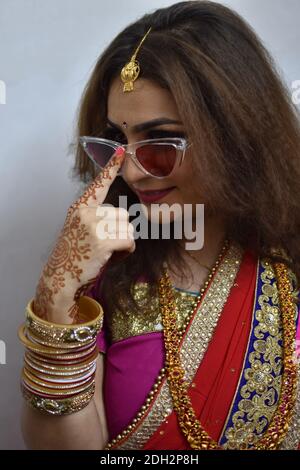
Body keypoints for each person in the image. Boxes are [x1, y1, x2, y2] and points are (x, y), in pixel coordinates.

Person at [19, 1, 300, 450]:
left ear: (234, 133)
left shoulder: (290, 263)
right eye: (116, 142)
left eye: (160, 142)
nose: (131, 173)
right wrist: (56, 295)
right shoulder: (107, 272)